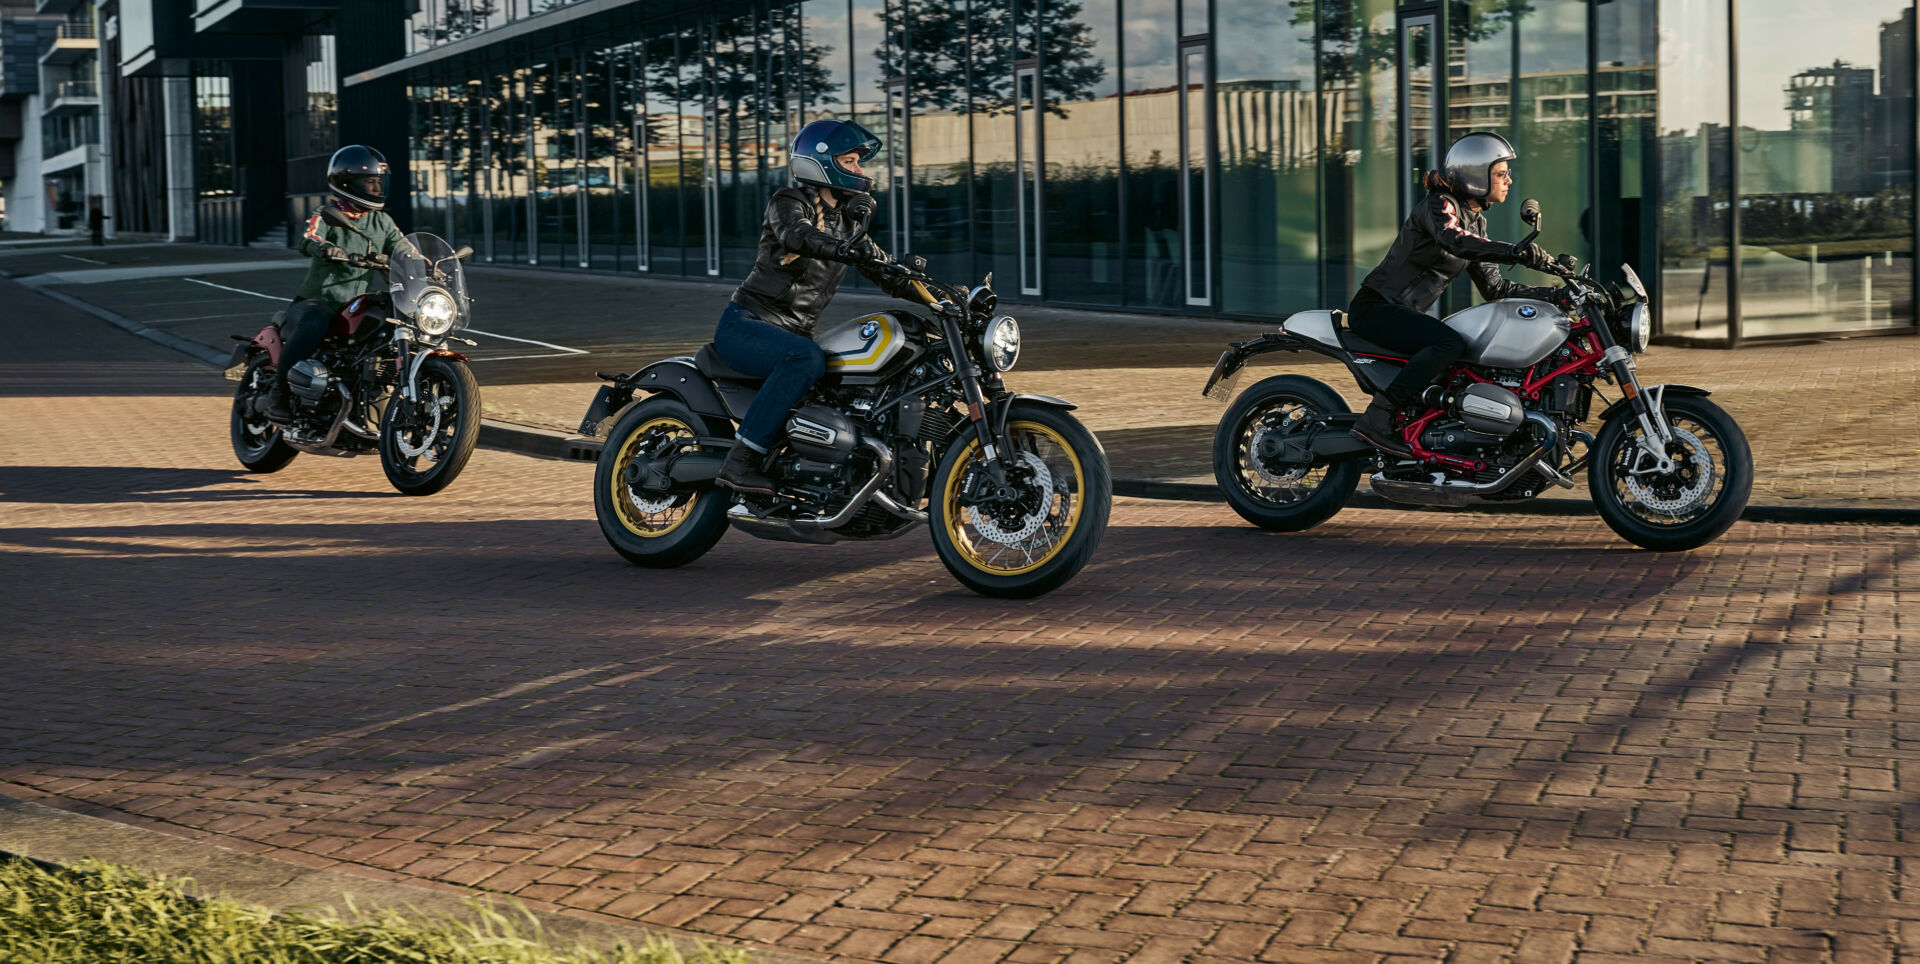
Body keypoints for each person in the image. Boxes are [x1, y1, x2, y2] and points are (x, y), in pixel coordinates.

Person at [713, 119, 920, 495]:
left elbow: (890, 274)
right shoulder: (789, 202)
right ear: (821, 161)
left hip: (794, 333)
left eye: (859, 162)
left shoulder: (847, 225)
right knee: (805, 359)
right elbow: (798, 234)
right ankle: (740, 461)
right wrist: (844, 247)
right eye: (852, 160)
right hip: (747, 325)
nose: (860, 170)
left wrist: (949, 296)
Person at [1347, 131, 1559, 457]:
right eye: (1501, 174)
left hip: (1404, 315)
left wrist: (1553, 294)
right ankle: (1378, 417)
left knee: (1466, 360)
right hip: (1377, 307)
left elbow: (1496, 288)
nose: (1509, 181)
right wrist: (1516, 252)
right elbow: (1453, 239)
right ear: (1476, 176)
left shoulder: (1477, 226)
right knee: (1450, 342)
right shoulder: (1440, 205)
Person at [270, 145, 408, 423]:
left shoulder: (382, 221)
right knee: (314, 322)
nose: (375, 187)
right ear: (347, 183)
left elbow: (404, 248)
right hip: (318, 303)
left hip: (354, 306)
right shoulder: (327, 214)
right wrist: (326, 249)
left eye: (378, 182)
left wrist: (429, 263)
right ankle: (280, 391)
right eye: (369, 181)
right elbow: (308, 238)